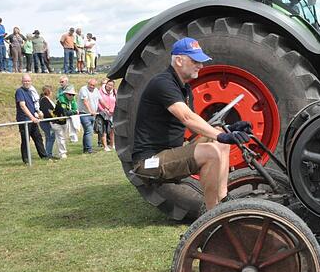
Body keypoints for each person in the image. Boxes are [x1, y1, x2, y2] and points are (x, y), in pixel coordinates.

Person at [131, 37, 252, 212]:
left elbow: (195, 129)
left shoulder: (185, 89)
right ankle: (212, 215)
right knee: (211, 152)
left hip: (171, 152)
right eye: (195, 61)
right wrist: (221, 135)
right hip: (149, 162)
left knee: (220, 142)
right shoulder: (162, 83)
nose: (200, 66)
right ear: (179, 61)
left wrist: (228, 130)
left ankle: (223, 199)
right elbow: (187, 118)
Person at [15, 73, 49, 163]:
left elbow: (33, 104)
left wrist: (38, 113)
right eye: (25, 81)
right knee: (25, 139)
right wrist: (31, 117)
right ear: (22, 81)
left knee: (38, 137)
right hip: (24, 119)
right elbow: (22, 105)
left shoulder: (30, 91)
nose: (27, 82)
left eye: (28, 81)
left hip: (32, 119)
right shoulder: (19, 91)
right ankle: (26, 159)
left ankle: (44, 156)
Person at [51, 86, 78, 159]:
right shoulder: (61, 100)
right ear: (65, 94)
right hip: (56, 121)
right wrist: (74, 112)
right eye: (70, 94)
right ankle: (62, 153)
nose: (71, 96)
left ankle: (58, 152)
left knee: (62, 138)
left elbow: (75, 109)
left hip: (64, 122)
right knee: (60, 137)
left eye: (73, 95)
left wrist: (74, 111)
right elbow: (65, 112)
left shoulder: (72, 100)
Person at [78, 78, 101, 154]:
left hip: (92, 114)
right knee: (89, 131)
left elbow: (100, 100)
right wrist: (90, 111)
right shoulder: (83, 89)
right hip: (84, 113)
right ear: (88, 84)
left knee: (87, 132)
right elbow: (85, 101)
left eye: (93, 85)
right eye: (90, 85)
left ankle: (86, 149)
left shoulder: (96, 90)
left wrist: (107, 107)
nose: (92, 86)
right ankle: (89, 149)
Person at [57, 76, 79, 143]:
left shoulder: (70, 87)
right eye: (60, 82)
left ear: (66, 81)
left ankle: (72, 138)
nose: (61, 83)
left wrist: (74, 110)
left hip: (69, 109)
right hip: (62, 111)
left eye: (62, 82)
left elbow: (73, 101)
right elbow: (59, 98)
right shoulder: (60, 90)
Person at [97, 79, 117, 151]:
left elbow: (116, 101)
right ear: (106, 84)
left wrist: (113, 110)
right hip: (102, 113)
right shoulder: (100, 91)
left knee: (112, 130)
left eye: (111, 85)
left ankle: (112, 144)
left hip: (112, 113)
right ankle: (105, 146)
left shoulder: (114, 92)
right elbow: (99, 102)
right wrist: (105, 109)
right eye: (109, 84)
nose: (110, 86)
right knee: (103, 130)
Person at [39, 85, 57, 158]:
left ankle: (48, 153)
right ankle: (48, 154)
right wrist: (54, 117)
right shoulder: (44, 100)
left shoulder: (45, 99)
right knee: (51, 137)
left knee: (49, 137)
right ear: (49, 92)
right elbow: (46, 112)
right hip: (46, 122)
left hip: (48, 121)